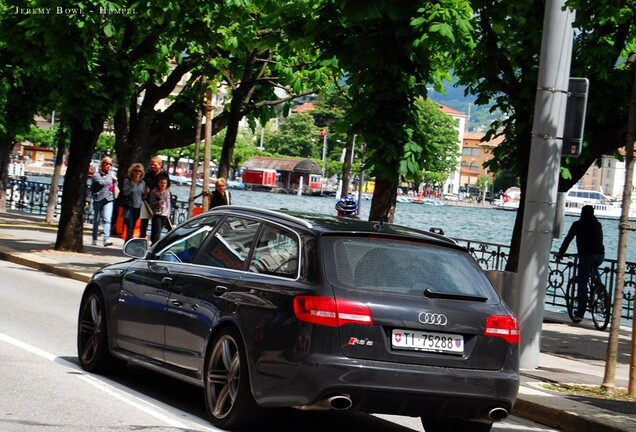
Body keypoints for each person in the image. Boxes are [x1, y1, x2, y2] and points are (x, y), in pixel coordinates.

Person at [556, 205, 605, 319]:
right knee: (594, 267)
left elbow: (568, 239)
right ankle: (600, 290)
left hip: (586, 256)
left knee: (582, 283)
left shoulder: (578, 224)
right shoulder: (598, 224)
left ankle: (580, 313)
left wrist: (560, 253)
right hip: (600, 255)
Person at [140, 156, 171, 239]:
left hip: (159, 205)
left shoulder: (164, 174)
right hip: (148, 201)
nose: (152, 166)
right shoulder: (148, 174)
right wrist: (145, 189)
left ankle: (154, 241)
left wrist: (163, 194)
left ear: (160, 165)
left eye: (154, 165)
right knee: (144, 222)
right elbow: (143, 184)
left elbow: (168, 186)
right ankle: (142, 238)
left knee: (157, 226)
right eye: (151, 165)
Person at [90, 156, 117, 247]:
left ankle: (106, 239)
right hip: (98, 198)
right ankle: (94, 238)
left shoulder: (112, 174)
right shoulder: (96, 175)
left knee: (107, 219)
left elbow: (114, 186)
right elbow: (94, 187)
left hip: (109, 199)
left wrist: (115, 181)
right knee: (97, 219)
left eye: (110, 164)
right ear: (103, 164)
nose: (108, 166)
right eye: (106, 164)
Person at [122, 163, 145, 240]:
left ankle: (128, 244)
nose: (137, 173)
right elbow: (125, 192)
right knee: (130, 226)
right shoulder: (127, 181)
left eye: (139, 171)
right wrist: (133, 184)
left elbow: (142, 195)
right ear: (132, 171)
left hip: (138, 207)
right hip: (129, 207)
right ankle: (127, 244)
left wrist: (146, 192)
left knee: (133, 225)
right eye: (135, 171)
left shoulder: (142, 183)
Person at [148, 175, 171, 245]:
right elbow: (151, 203)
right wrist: (159, 200)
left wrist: (168, 212)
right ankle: (154, 245)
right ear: (158, 183)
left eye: (164, 183)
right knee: (157, 232)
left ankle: (154, 243)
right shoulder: (154, 192)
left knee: (159, 230)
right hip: (157, 214)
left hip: (164, 214)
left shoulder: (167, 192)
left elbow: (168, 203)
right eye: (161, 183)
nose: (163, 185)